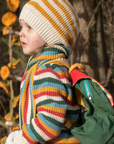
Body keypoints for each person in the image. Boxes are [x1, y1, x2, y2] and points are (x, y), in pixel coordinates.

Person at [5, 0, 81, 144]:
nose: (21, 33)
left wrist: (23, 139)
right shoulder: (53, 67)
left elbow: (50, 121)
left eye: (30, 27)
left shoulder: (48, 71)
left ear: (51, 34)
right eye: (22, 26)